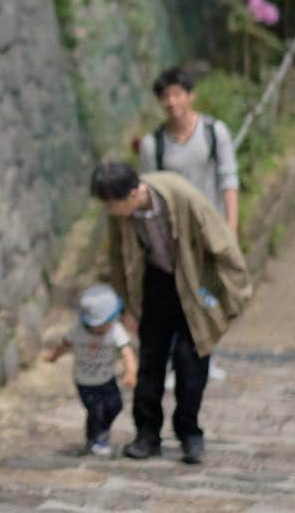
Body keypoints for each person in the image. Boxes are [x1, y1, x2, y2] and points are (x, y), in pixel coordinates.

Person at [90, 162, 251, 465]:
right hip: (154, 286)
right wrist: (126, 305)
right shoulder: (121, 214)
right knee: (150, 364)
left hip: (192, 284)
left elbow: (222, 242)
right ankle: (147, 435)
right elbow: (117, 259)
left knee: (191, 364)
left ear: (135, 193)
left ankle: (190, 433)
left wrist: (234, 295)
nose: (109, 210)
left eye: (112, 203)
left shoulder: (179, 194)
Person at [139, 67, 239, 236]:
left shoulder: (214, 131)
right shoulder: (152, 145)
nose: (171, 102)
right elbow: (151, 192)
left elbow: (228, 179)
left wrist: (232, 228)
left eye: (177, 94)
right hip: (177, 234)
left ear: (191, 96)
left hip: (215, 225)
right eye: (165, 96)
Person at [45, 283, 138, 456]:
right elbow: (64, 345)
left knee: (115, 406)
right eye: (102, 324)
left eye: (110, 321)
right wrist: (54, 356)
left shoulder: (116, 330)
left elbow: (127, 353)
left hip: (106, 379)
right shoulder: (77, 331)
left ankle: (101, 431)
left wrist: (130, 372)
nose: (106, 327)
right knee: (95, 410)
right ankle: (95, 440)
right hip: (85, 381)